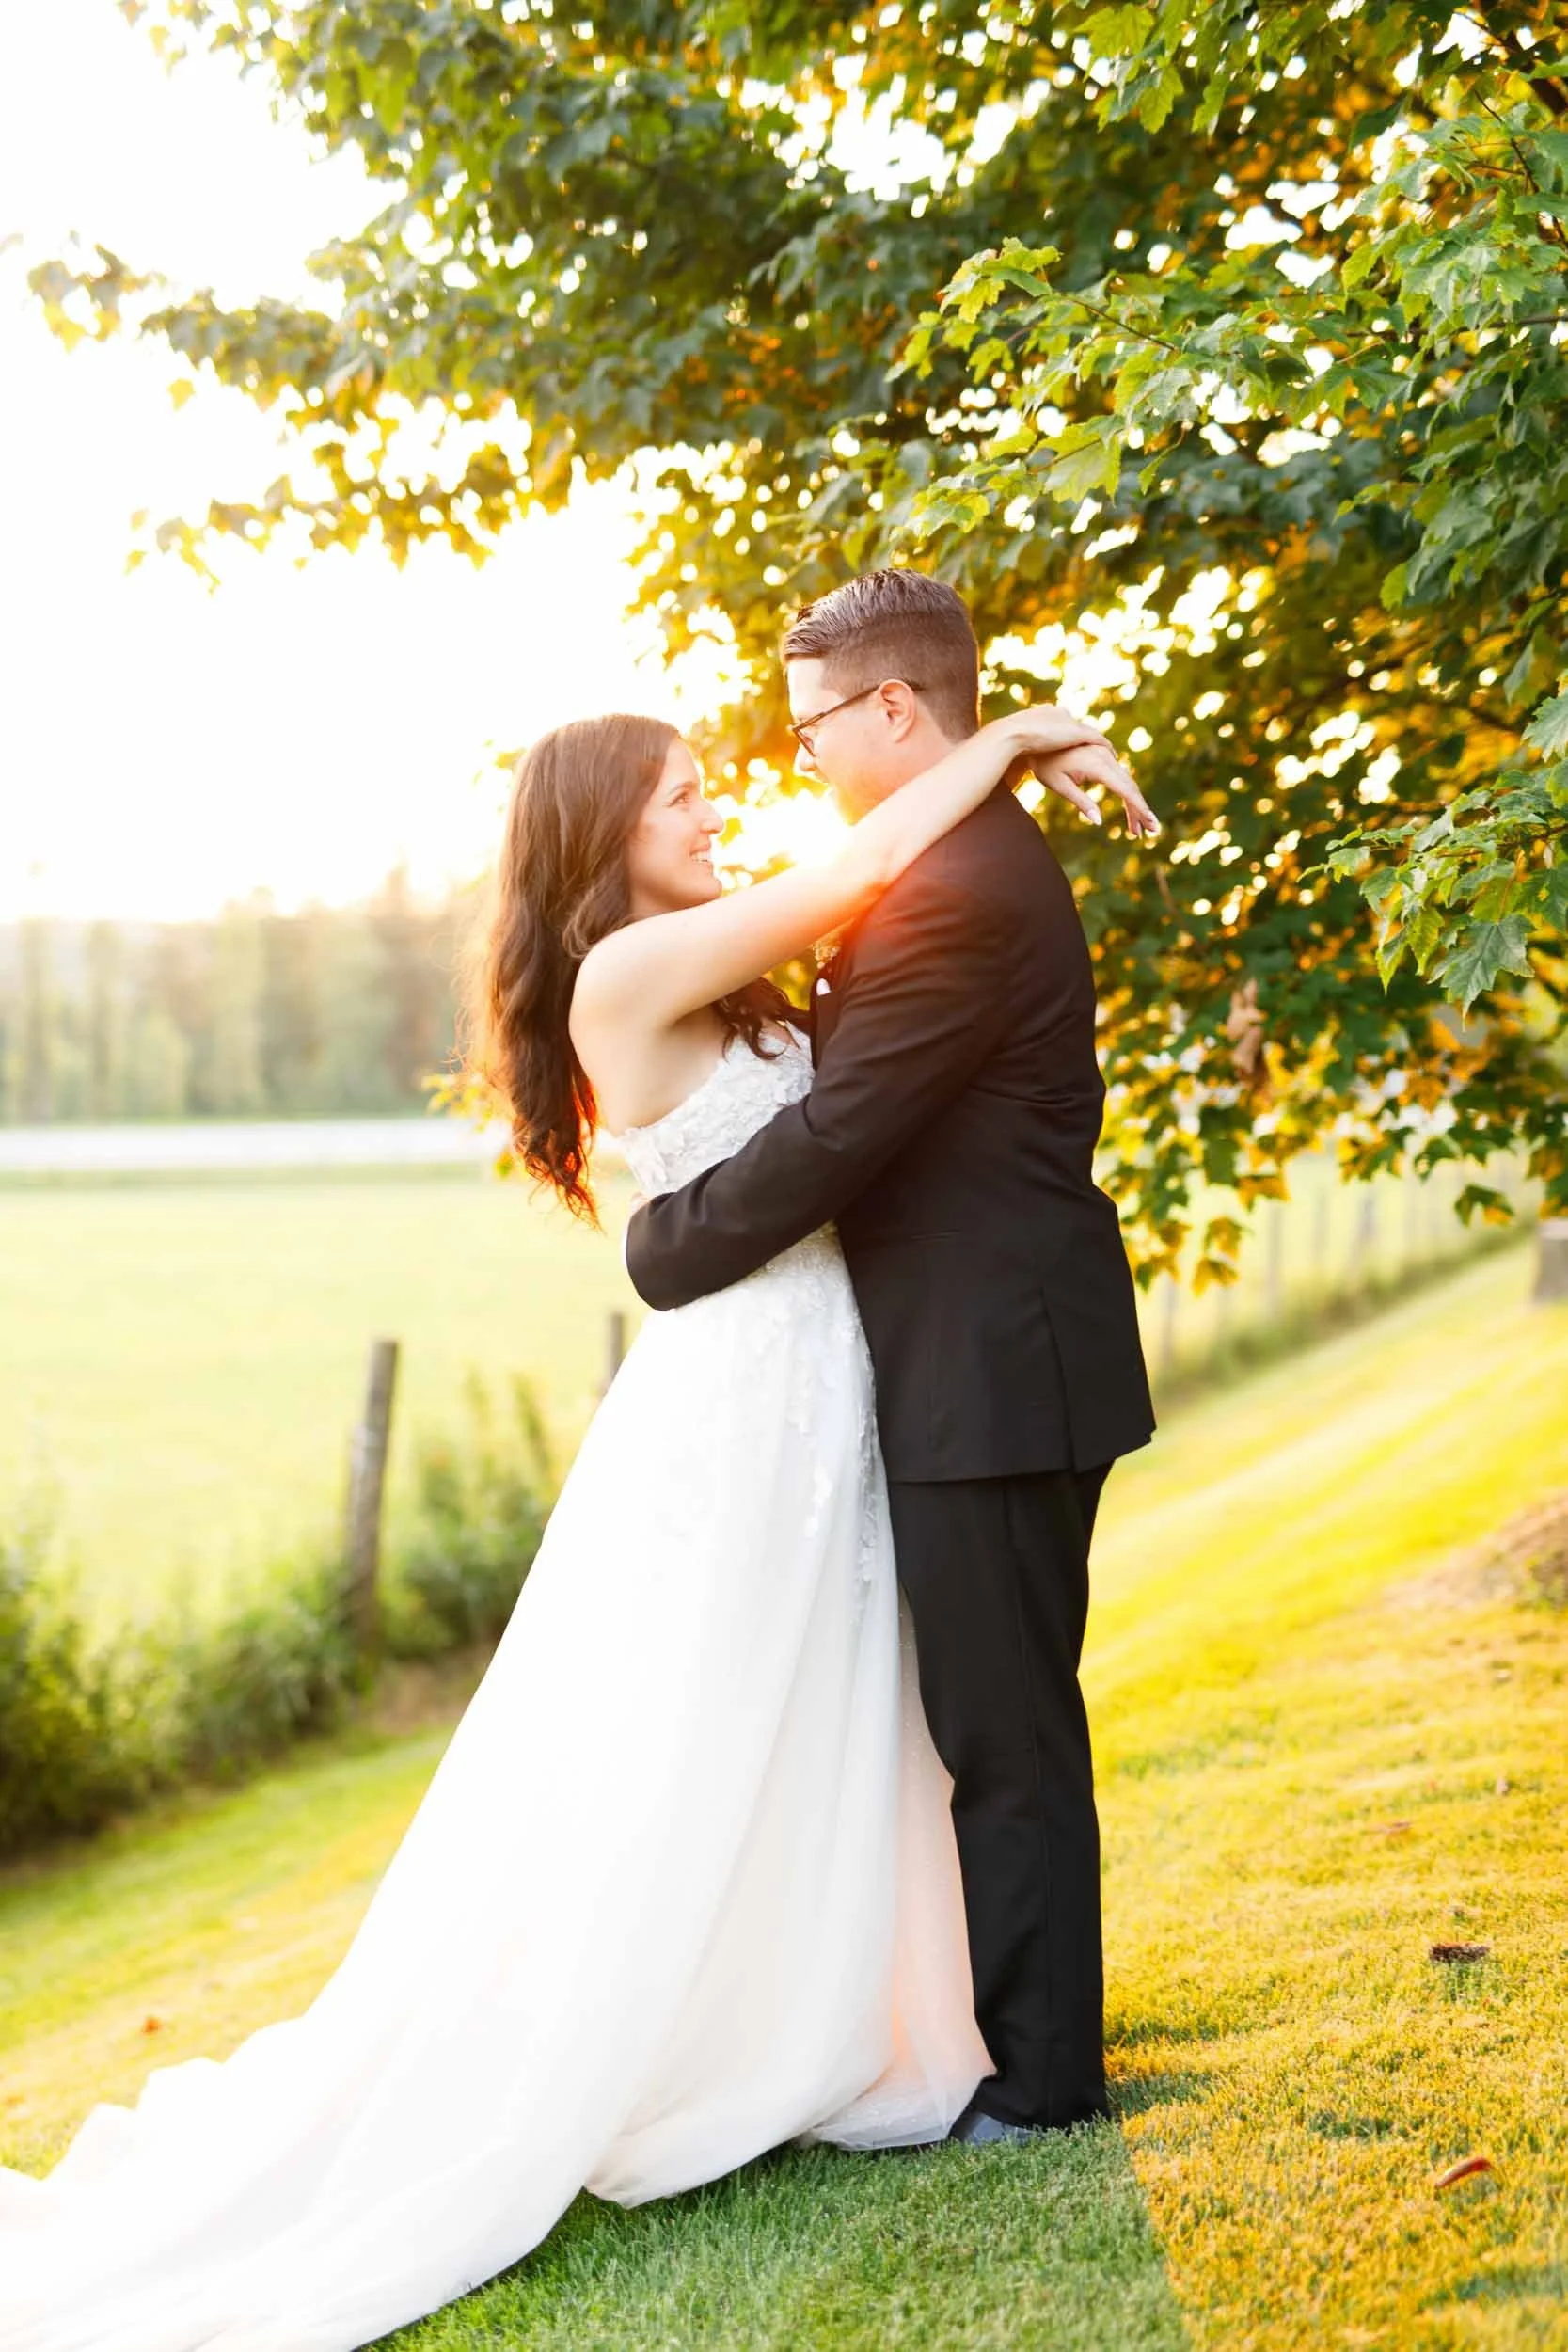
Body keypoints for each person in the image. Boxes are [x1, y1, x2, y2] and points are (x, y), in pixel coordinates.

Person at [0, 663, 1153, 2351]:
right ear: (600, 836)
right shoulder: (627, 965)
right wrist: (1011, 741)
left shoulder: (708, 964)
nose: (711, 811)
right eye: (679, 794)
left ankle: (865, 2014)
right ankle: (683, 2036)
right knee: (704, 1722)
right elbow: (848, 877)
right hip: (749, 1389)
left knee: (843, 1708)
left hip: (835, 1372)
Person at [626, 567, 1159, 2142]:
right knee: (1001, 1720)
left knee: (1003, 1733)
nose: (795, 763)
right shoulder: (961, 853)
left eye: (806, 731)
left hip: (993, 1372)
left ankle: (1047, 2079)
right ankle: (1022, 2032)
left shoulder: (954, 895)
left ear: (894, 712)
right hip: (996, 1356)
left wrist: (668, 1248)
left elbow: (843, 1133)